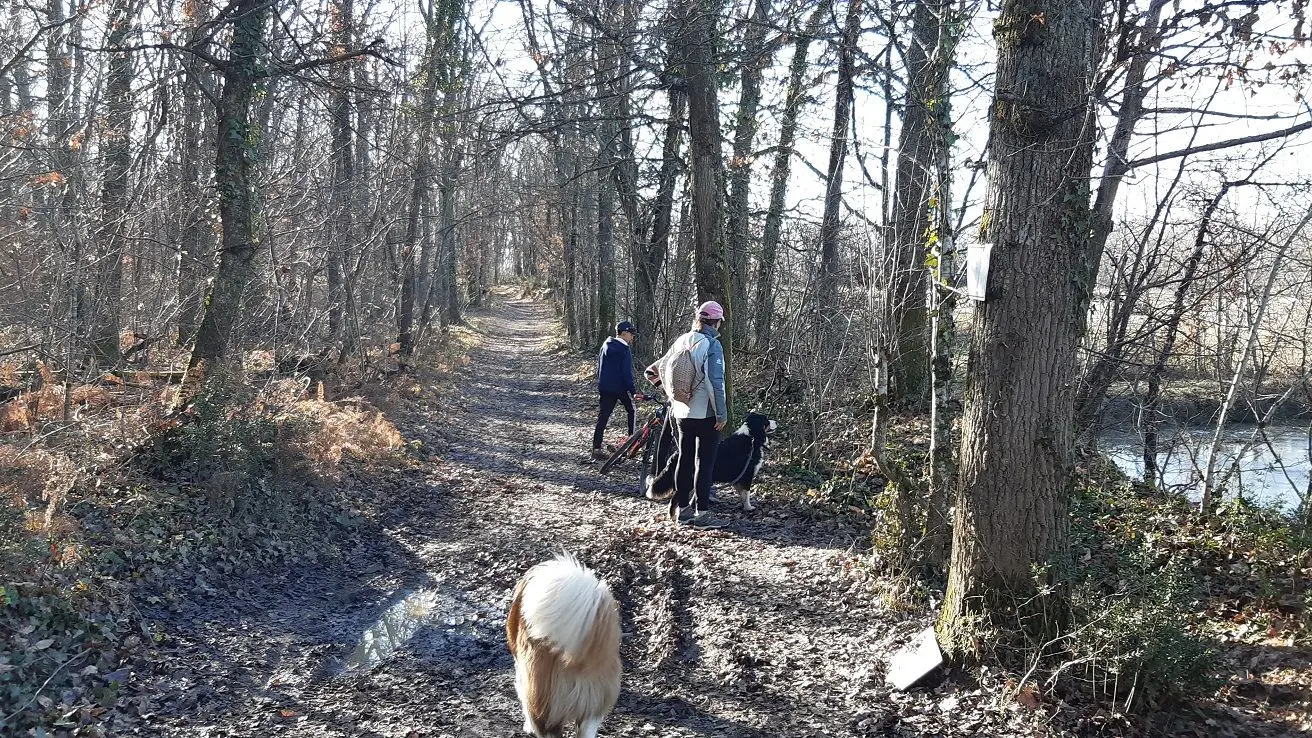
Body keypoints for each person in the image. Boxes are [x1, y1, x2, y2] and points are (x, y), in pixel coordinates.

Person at [649, 301, 728, 529]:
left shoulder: (681, 341)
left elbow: (654, 370)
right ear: (717, 322)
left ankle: (682, 511)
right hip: (706, 415)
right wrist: (721, 414)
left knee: (685, 459)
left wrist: (671, 396)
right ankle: (702, 514)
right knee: (704, 463)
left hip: (681, 413)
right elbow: (716, 383)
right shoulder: (712, 345)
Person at [592, 321, 641, 461]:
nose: (632, 337)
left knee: (603, 417)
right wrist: (633, 391)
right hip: (620, 388)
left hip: (605, 387)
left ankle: (596, 448)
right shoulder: (624, 350)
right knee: (631, 410)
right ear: (624, 333)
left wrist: (601, 383)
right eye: (631, 334)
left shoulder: (605, 344)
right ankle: (631, 443)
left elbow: (599, 366)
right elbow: (626, 373)